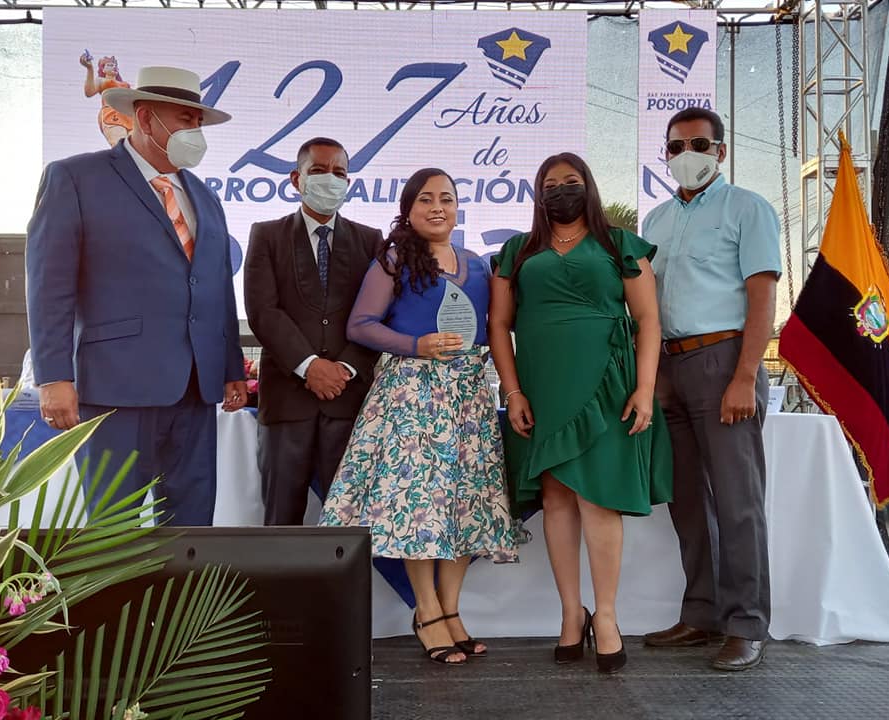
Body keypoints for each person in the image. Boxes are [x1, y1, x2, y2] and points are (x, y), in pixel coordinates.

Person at [26, 66, 247, 526]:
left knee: (192, 526)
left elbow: (217, 289)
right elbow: (49, 285)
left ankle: (185, 583)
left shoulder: (205, 197)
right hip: (115, 389)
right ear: (145, 118)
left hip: (196, 390)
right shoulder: (75, 178)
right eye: (185, 120)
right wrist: (53, 376)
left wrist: (230, 368)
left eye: (199, 122)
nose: (195, 132)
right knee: (114, 527)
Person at [320, 168, 518, 665]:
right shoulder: (393, 261)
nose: (437, 207)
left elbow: (496, 327)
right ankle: (427, 612)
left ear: (458, 208)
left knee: (466, 503)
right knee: (421, 506)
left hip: (469, 395)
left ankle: (451, 611)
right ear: (408, 210)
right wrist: (416, 345)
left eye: (446, 199)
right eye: (426, 199)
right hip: (413, 394)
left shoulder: (478, 265)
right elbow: (361, 325)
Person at [489, 152, 672, 673]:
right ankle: (572, 612)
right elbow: (499, 325)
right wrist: (513, 392)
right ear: (538, 194)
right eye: (550, 184)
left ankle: (607, 615)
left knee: (598, 498)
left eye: (570, 181)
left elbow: (648, 320)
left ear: (588, 186)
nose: (561, 190)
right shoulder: (517, 251)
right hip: (543, 385)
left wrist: (644, 389)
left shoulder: (619, 244)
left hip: (608, 384)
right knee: (556, 497)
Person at [641, 108, 780, 671]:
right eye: (676, 147)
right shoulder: (654, 221)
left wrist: (745, 376)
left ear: (721, 151)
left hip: (725, 361)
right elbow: (647, 307)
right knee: (687, 501)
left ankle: (747, 624)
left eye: (699, 144)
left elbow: (762, 298)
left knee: (737, 501)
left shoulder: (747, 208)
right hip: (670, 366)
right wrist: (653, 376)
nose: (686, 155)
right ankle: (701, 613)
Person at [244, 138, 383, 526]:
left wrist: (345, 369)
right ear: (296, 179)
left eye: (339, 173)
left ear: (348, 182)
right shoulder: (266, 235)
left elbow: (378, 313)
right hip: (287, 401)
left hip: (347, 400)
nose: (330, 179)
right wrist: (309, 366)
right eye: (319, 171)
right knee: (281, 519)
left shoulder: (370, 240)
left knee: (348, 524)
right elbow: (263, 312)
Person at [79, 52, 133, 146]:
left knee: (133, 147)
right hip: (112, 114)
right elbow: (89, 92)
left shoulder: (124, 84)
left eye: (114, 65)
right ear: (103, 69)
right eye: (109, 65)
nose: (113, 67)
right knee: (119, 144)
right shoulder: (101, 80)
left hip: (128, 116)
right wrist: (90, 69)